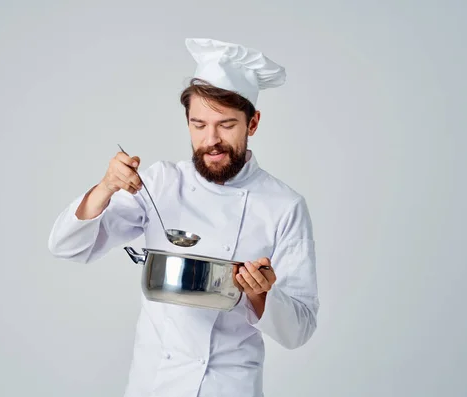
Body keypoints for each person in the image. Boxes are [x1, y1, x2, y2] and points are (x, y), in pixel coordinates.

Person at [48, 37, 319, 397]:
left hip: (230, 385)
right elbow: (67, 247)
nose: (211, 140)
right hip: (156, 381)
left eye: (226, 125)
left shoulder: (284, 205)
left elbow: (299, 330)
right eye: (199, 124)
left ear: (252, 123)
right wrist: (105, 187)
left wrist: (262, 294)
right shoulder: (161, 183)